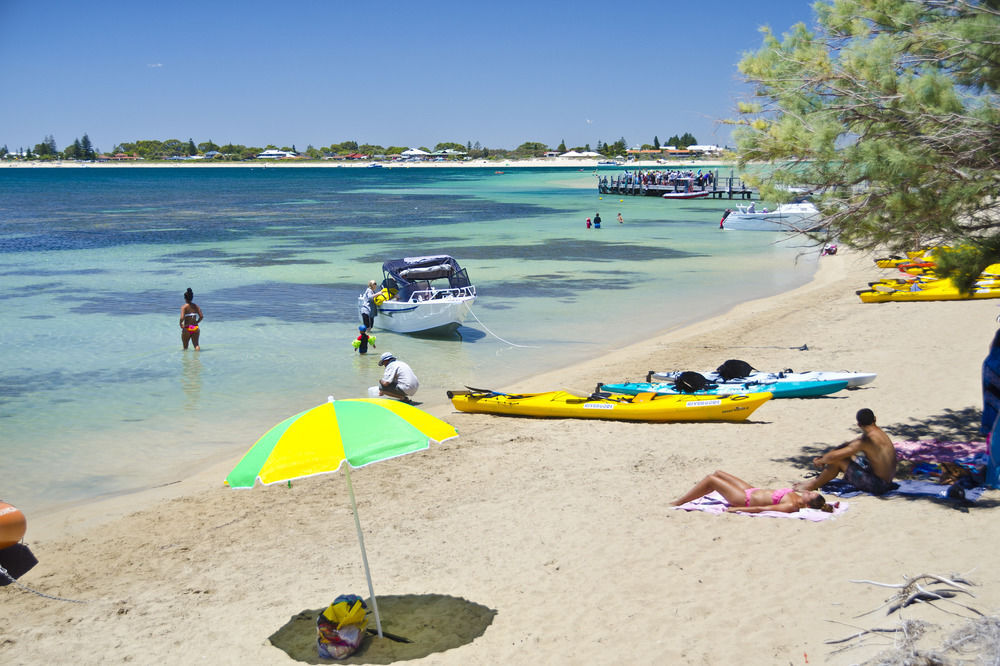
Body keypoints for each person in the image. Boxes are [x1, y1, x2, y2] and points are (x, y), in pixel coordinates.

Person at [796, 408, 898, 495]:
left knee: (837, 460)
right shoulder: (877, 433)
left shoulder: (866, 441)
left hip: (878, 485)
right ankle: (816, 481)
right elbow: (847, 445)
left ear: (859, 424)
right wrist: (824, 457)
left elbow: (833, 457)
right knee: (847, 456)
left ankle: (813, 485)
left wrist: (820, 461)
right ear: (875, 419)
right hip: (887, 481)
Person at [672, 470, 832, 514]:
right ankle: (689, 497)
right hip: (752, 490)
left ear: (808, 505)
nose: (808, 492)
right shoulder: (797, 496)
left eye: (810, 495)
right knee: (718, 473)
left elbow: (763, 508)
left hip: (744, 499)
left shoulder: (791, 505)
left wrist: (738, 509)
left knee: (711, 480)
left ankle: (680, 501)